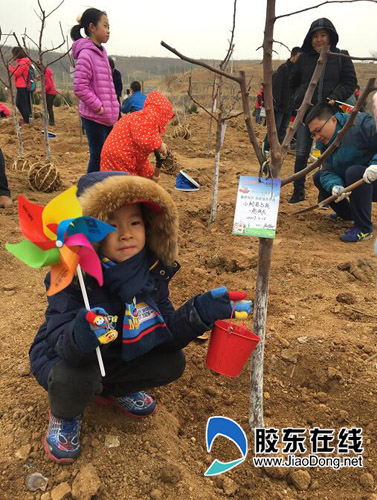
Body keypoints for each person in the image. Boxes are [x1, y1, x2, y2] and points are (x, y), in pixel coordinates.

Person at [29, 170, 252, 463]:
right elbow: (59, 340)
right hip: (69, 358)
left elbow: (166, 334)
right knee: (76, 377)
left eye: (135, 222)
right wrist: (80, 335)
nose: (126, 234)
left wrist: (200, 311)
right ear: (88, 235)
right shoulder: (71, 278)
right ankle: (65, 414)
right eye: (111, 226)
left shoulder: (150, 271)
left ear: (150, 227)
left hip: (118, 355)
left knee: (171, 362)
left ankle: (110, 391)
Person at [288, 18, 357, 204]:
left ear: (330, 37)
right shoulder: (304, 59)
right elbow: (292, 82)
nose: (319, 40)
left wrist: (335, 96)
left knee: (330, 156)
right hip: (307, 115)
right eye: (315, 36)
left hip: (330, 116)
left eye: (323, 35)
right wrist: (299, 99)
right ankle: (298, 192)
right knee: (302, 153)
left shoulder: (341, 56)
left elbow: (350, 82)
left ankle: (327, 194)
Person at [307, 103, 377, 242]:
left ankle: (363, 228)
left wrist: (375, 164)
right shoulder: (325, 144)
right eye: (313, 134)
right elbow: (327, 171)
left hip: (372, 179)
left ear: (333, 120)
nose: (317, 137)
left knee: (354, 172)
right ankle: (347, 215)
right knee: (319, 177)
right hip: (356, 183)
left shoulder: (361, 123)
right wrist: (335, 186)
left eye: (318, 130)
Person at [71, 8, 119, 173]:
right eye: (105, 26)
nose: (108, 30)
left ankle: (100, 190)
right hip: (94, 117)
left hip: (106, 117)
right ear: (92, 27)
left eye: (109, 26)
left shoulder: (101, 53)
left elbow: (107, 87)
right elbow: (79, 87)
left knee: (107, 155)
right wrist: (98, 107)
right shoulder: (86, 54)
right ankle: (87, 192)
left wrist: (114, 110)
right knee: (98, 155)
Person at [101, 90, 173, 179]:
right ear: (161, 115)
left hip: (113, 156)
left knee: (115, 186)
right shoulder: (148, 117)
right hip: (121, 157)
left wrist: (151, 176)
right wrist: (159, 145)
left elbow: (141, 160)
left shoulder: (140, 119)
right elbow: (144, 140)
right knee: (129, 187)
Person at [262, 47, 303, 155]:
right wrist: (277, 103)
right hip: (279, 106)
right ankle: (265, 148)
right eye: (298, 57)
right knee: (274, 129)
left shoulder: (297, 71)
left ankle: (277, 150)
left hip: (289, 107)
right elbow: (276, 87)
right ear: (292, 55)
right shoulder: (283, 69)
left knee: (283, 130)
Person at [8, 47, 32, 124]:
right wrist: (12, 67)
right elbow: (19, 70)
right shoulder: (23, 62)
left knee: (21, 104)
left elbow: (17, 73)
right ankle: (26, 118)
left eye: (13, 54)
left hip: (22, 86)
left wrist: (10, 68)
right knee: (21, 103)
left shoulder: (23, 62)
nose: (12, 56)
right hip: (22, 86)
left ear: (16, 54)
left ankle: (26, 120)